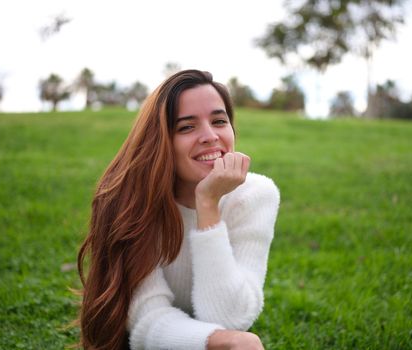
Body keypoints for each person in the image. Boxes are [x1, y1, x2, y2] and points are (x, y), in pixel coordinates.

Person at [77, 69, 280, 350]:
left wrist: (207, 205)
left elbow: (232, 319)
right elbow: (148, 319)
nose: (210, 136)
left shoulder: (255, 195)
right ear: (160, 140)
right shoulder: (127, 201)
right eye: (186, 127)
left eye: (219, 121)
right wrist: (223, 341)